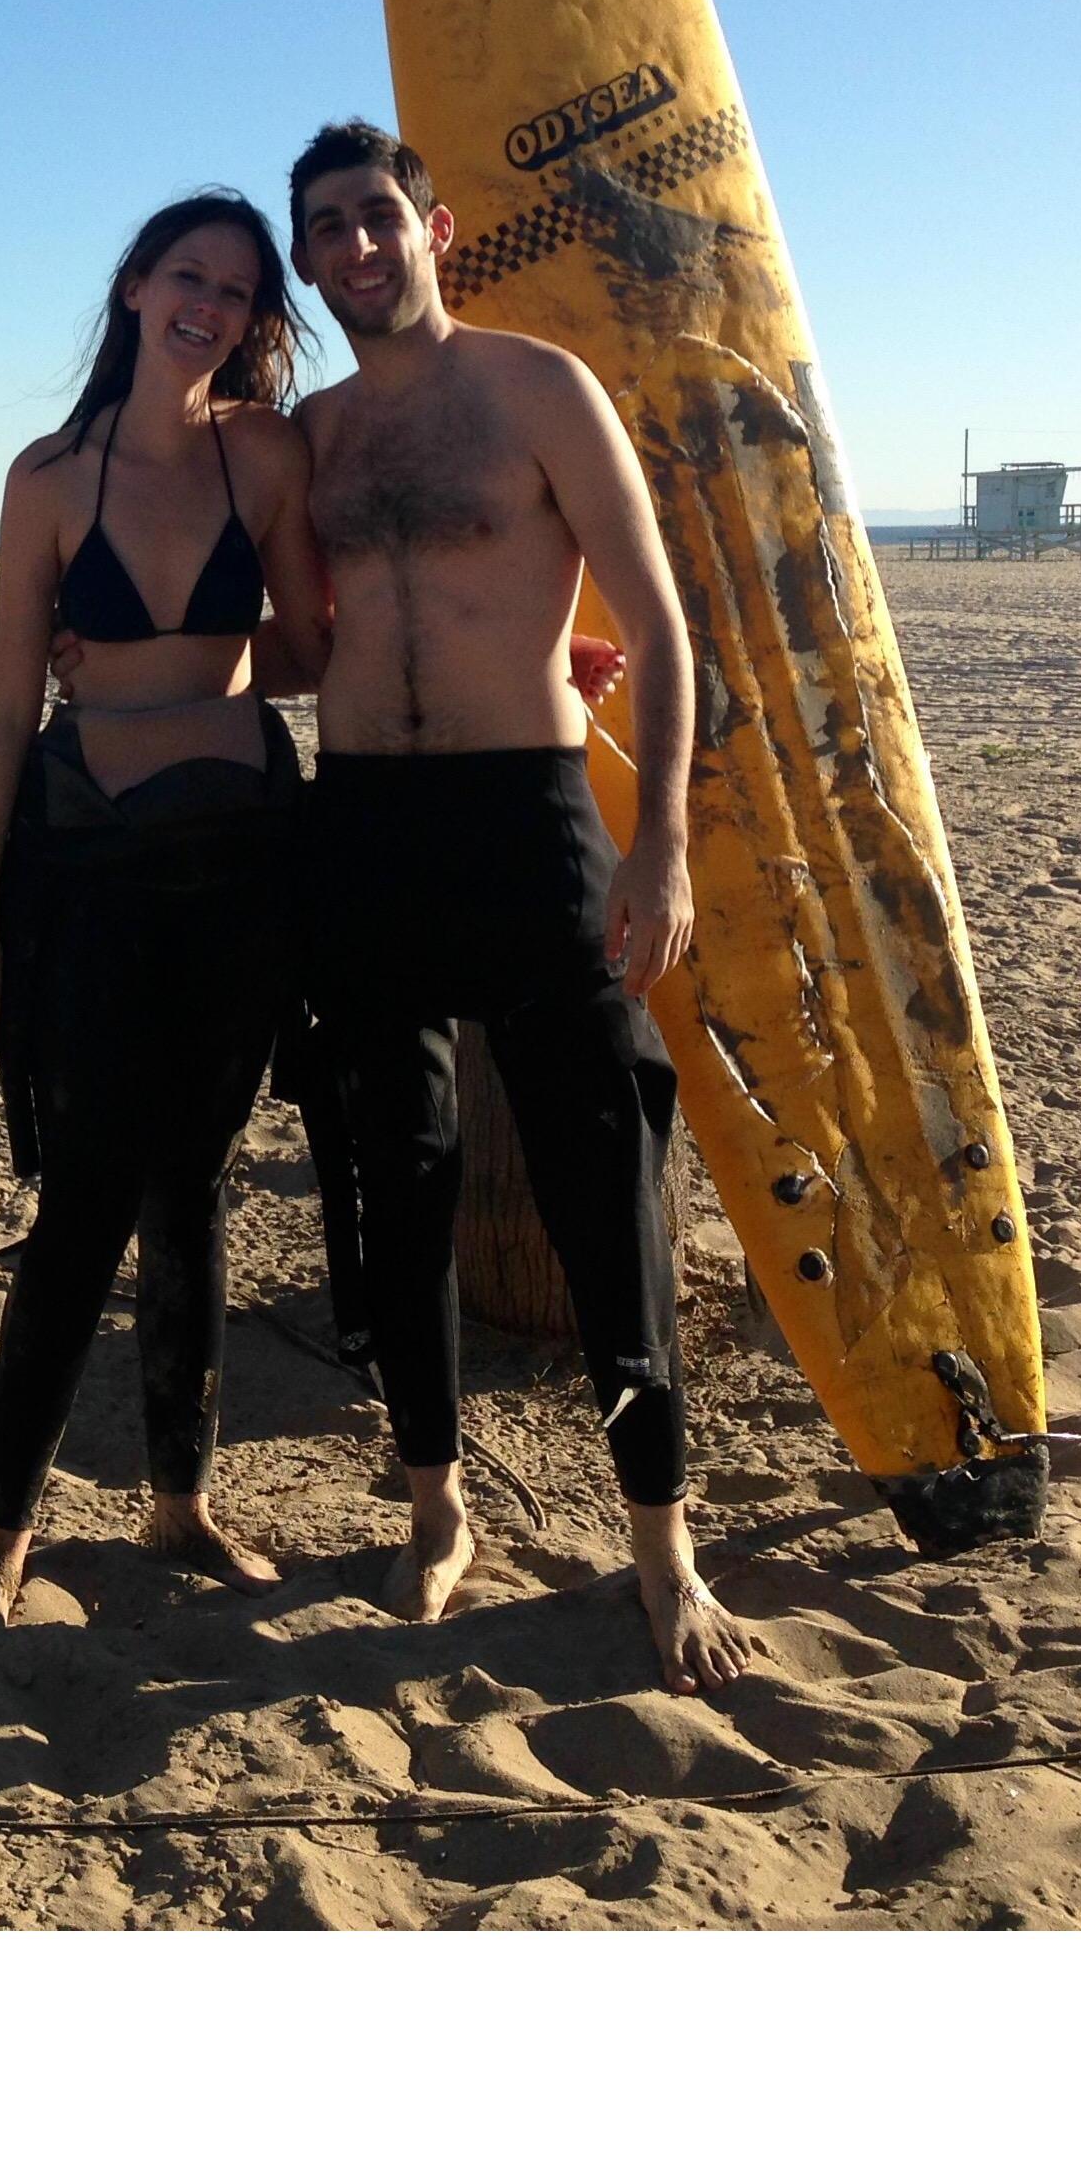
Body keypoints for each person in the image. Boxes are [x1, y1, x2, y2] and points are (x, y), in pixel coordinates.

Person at [286, 118, 754, 1696]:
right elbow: (301, 639)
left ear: (437, 223)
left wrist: (661, 846)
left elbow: (664, 628)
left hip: (530, 822)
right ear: (307, 260)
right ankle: (436, 1507)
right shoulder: (317, 436)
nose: (356, 247)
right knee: (393, 1173)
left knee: (597, 1170)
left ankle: (660, 1542)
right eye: (326, 230)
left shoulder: (538, 387)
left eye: (376, 217)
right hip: (363, 825)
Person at [0, 192, 331, 1625]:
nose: (210, 304)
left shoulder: (266, 456)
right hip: (86, 867)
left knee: (196, 1189)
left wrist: (191, 660)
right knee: (84, 1198)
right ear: (134, 289)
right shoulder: (49, 479)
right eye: (189, 276)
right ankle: (4, 1525)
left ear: (252, 319)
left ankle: (181, 1502)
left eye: (237, 290)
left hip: (236, 861)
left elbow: (308, 644)